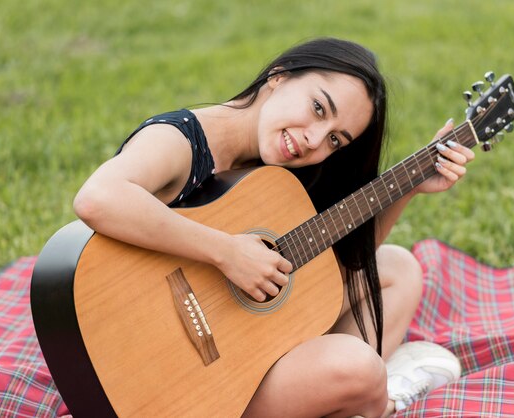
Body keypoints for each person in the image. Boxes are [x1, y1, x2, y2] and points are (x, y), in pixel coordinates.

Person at [73, 37, 473, 417]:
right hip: (173, 385)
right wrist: (228, 253)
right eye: (318, 108)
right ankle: (382, 401)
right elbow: (99, 197)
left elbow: (338, 266)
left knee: (397, 269)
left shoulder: (282, 169)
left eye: (335, 139)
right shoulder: (179, 140)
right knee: (362, 369)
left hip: (242, 351)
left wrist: (408, 187)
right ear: (278, 77)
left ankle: (353, 397)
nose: (314, 140)